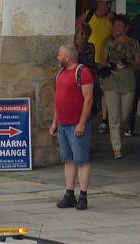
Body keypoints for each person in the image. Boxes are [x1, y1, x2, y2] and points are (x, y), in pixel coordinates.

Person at [50, 44, 94, 211]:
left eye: (60, 55)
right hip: (63, 124)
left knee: (82, 160)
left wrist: (82, 123)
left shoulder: (83, 73)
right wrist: (55, 122)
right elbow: (58, 101)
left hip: (76, 124)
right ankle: (70, 193)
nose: (58, 57)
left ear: (68, 57)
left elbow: (88, 99)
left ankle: (83, 195)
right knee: (68, 159)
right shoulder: (60, 74)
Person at [101, 13, 140, 159]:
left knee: (123, 115)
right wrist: (107, 66)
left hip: (128, 82)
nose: (117, 28)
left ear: (126, 27)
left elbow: (138, 65)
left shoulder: (134, 43)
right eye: (115, 25)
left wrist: (129, 62)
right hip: (111, 82)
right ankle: (116, 148)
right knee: (114, 117)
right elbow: (103, 62)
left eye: (120, 25)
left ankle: (118, 138)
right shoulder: (108, 43)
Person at [77, 0, 112, 133]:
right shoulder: (88, 15)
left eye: (110, 3)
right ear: (98, 2)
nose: (108, 6)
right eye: (106, 3)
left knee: (103, 91)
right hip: (87, 62)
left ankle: (104, 119)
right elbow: (75, 31)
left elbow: (114, 40)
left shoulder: (110, 19)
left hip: (102, 61)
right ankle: (86, 117)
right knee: (87, 92)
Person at [125, 9, 140, 137]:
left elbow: (129, 35)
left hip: (136, 60)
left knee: (133, 95)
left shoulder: (138, 19)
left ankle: (130, 126)